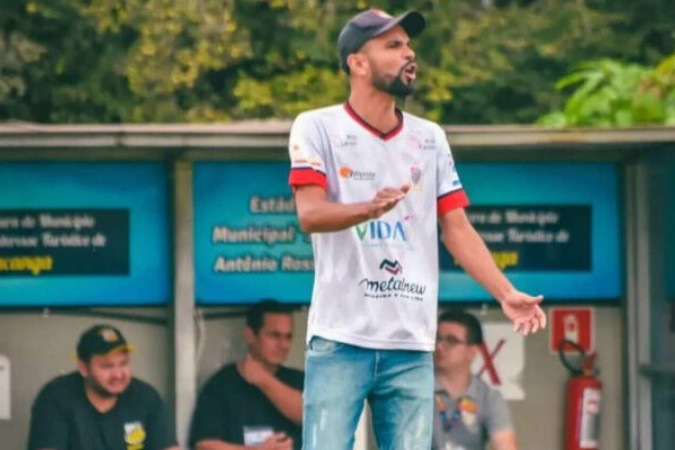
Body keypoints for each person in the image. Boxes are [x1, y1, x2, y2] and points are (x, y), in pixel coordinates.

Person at [287, 7, 546, 450]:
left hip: (411, 345)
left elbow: (457, 228)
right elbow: (310, 214)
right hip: (339, 340)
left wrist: (506, 294)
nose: (409, 54)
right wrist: (368, 209)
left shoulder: (430, 138)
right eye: (393, 45)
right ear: (358, 63)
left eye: (409, 45)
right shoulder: (317, 127)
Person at [27, 324, 178, 450]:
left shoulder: (146, 397)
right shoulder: (57, 397)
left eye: (124, 363)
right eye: (107, 366)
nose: (118, 374)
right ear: (83, 368)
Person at [189, 299, 304, 450]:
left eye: (288, 337)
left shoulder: (298, 380)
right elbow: (204, 445)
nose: (283, 345)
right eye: (274, 336)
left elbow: (308, 416)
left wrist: (264, 380)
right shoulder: (221, 384)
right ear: (250, 335)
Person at [433, 310, 517, 450]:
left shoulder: (488, 397)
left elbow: (505, 445)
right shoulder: (416, 391)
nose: (439, 347)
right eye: (437, 339)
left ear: (472, 352)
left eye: (451, 341)